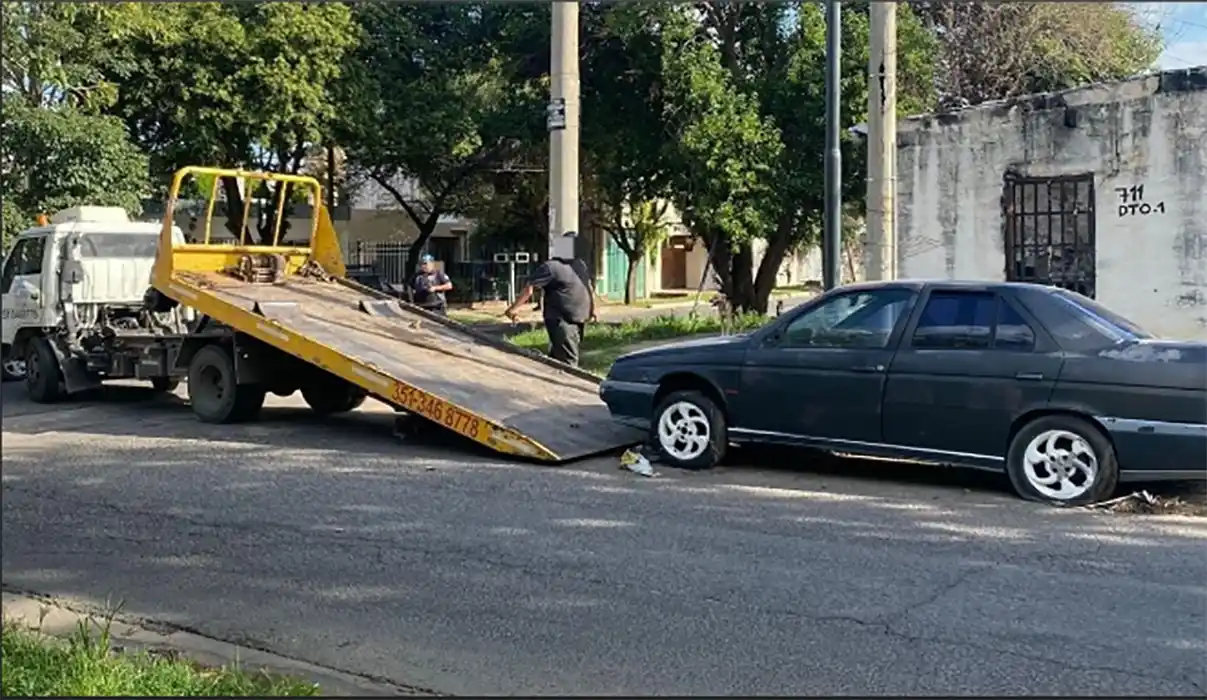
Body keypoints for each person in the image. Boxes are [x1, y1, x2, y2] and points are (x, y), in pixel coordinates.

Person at [503, 256, 598, 367]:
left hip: (571, 319)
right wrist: (592, 309)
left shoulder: (567, 266)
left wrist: (512, 309)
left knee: (563, 360)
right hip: (569, 318)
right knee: (564, 359)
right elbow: (529, 290)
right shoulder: (568, 266)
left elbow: (529, 290)